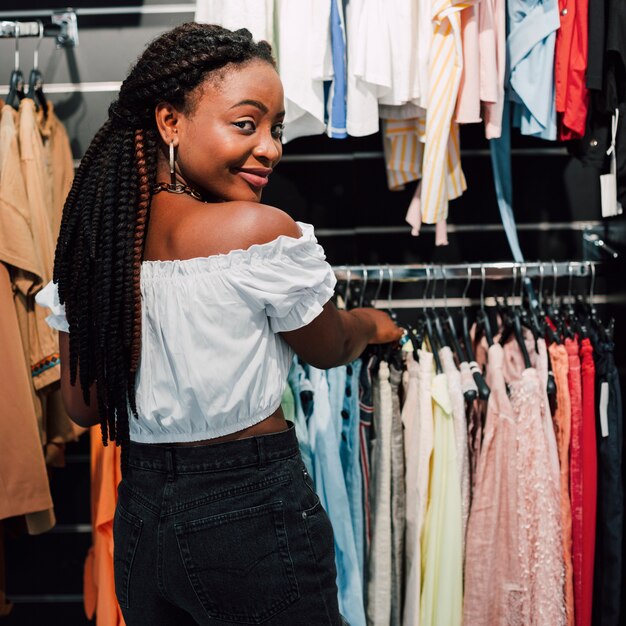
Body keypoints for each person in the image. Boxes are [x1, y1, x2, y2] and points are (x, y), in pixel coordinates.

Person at [36, 23, 402, 626]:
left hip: (142, 516)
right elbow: (330, 346)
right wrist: (372, 324)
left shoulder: (96, 246)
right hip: (251, 513)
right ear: (170, 122)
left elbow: (84, 405)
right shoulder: (254, 234)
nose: (271, 147)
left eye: (276, 129)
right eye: (246, 123)